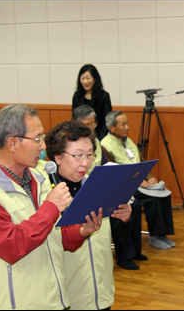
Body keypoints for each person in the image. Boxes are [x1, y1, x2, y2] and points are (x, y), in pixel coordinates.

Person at [0, 105, 102, 309]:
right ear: (12, 143)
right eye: (37, 139)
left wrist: (81, 231)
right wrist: (51, 207)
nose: (43, 146)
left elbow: (52, 237)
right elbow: (13, 245)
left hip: (53, 298)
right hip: (16, 303)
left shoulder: (38, 177)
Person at [46, 120, 134, 308]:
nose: (85, 162)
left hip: (101, 292)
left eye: (89, 155)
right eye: (78, 155)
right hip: (67, 297)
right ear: (58, 157)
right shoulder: (46, 196)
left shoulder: (98, 187)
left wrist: (124, 219)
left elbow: (115, 238)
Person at [73, 105, 148, 270]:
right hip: (85, 187)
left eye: (93, 123)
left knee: (131, 205)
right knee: (116, 209)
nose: (91, 128)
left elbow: (105, 162)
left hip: (102, 183)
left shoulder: (96, 141)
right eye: (87, 124)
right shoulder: (72, 144)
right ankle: (124, 256)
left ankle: (135, 250)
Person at [102, 111, 176, 250]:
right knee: (152, 198)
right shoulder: (105, 145)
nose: (127, 127)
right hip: (124, 186)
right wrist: (139, 183)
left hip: (140, 182)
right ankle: (155, 236)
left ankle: (162, 234)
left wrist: (150, 178)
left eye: (127, 123)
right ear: (112, 128)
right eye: (122, 124)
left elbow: (142, 162)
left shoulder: (128, 141)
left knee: (163, 192)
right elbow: (114, 173)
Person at [72, 64, 112, 140]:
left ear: (95, 78)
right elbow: (75, 120)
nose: (85, 81)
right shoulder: (77, 96)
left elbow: (106, 121)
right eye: (82, 78)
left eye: (88, 78)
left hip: (100, 136)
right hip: (81, 135)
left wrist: (98, 138)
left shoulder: (104, 96)